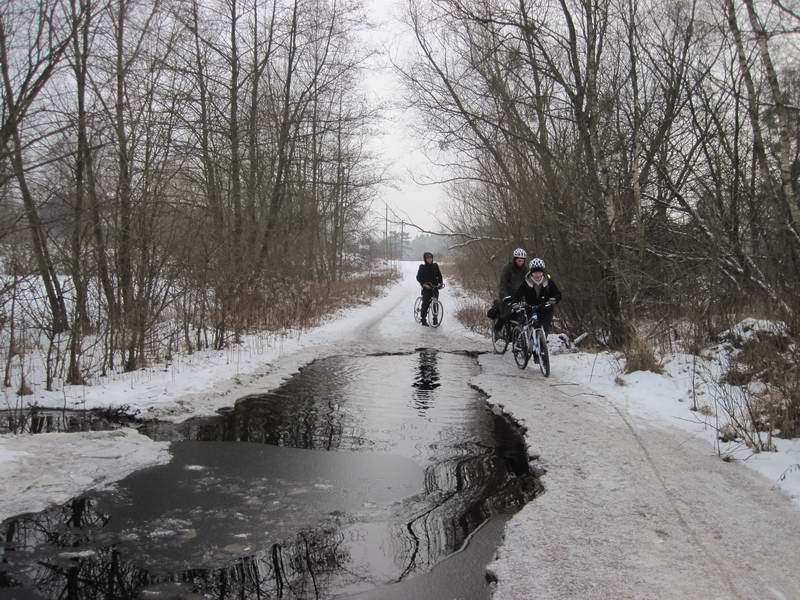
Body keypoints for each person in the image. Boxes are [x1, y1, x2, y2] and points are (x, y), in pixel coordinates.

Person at [512, 257, 562, 336]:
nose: (537, 275)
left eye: (539, 272)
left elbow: (558, 294)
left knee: (544, 332)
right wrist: (515, 303)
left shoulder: (548, 282)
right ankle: (524, 342)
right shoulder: (526, 283)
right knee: (529, 330)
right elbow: (517, 296)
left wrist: (554, 299)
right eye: (535, 273)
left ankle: (542, 344)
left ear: (542, 272)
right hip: (530, 309)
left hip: (546, 310)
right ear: (531, 272)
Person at [493, 248, 529, 336]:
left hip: (520, 295)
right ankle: (497, 329)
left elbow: (529, 283)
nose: (520, 263)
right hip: (508, 295)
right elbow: (503, 284)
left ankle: (518, 334)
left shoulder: (526, 270)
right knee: (507, 312)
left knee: (526, 313)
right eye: (518, 260)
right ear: (515, 259)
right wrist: (505, 296)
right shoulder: (508, 268)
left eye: (522, 261)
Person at [416, 252, 444, 326]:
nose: (429, 259)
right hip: (426, 288)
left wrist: (441, 283)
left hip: (434, 288)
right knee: (425, 303)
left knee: (435, 303)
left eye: (430, 258)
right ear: (425, 259)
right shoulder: (422, 267)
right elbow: (418, 277)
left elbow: (439, 275)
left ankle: (435, 319)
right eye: (427, 258)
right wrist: (424, 284)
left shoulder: (435, 266)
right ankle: (423, 320)